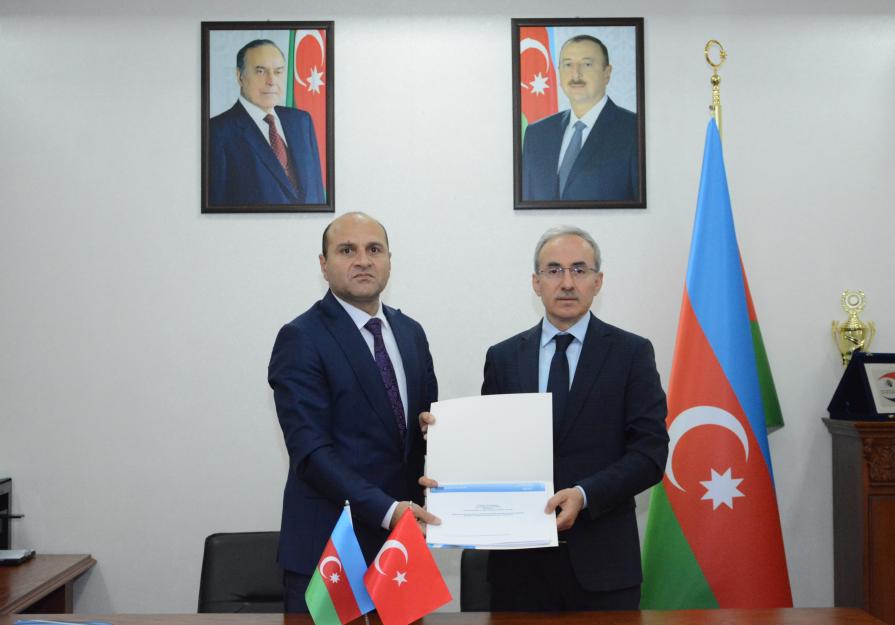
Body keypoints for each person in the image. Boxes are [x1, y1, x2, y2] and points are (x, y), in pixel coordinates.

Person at [423, 226, 667, 610]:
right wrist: (445, 453)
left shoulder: (631, 354)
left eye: (579, 269)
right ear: (536, 283)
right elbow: (491, 451)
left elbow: (650, 455)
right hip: (518, 573)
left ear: (598, 281)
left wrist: (584, 495)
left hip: (604, 570)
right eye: (554, 270)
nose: (567, 282)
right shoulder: (503, 357)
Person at [269, 212, 439, 613]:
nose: (363, 260)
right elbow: (311, 452)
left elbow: (421, 431)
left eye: (374, 249)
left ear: (389, 261)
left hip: (401, 551)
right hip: (330, 551)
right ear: (324, 264)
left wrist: (435, 434)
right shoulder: (301, 338)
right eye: (347, 250)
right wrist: (388, 511)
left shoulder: (411, 333)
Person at [522, 35, 639, 202]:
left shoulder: (635, 130)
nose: (576, 74)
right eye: (568, 64)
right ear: (559, 72)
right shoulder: (537, 134)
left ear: (607, 73)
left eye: (587, 64)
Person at [209, 39, 325, 206]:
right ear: (240, 76)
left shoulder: (301, 122)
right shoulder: (217, 132)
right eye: (260, 71)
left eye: (278, 72)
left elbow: (317, 193)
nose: (271, 81)